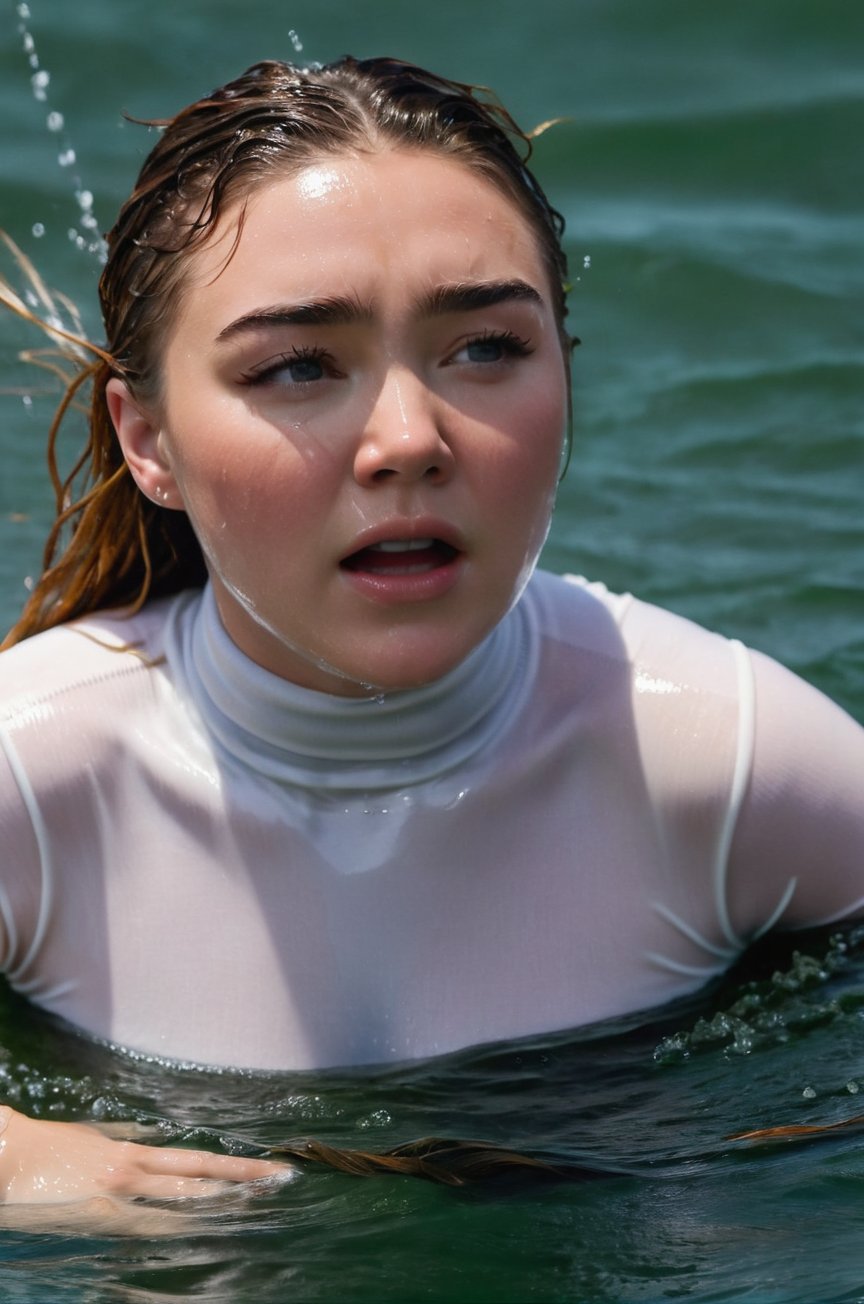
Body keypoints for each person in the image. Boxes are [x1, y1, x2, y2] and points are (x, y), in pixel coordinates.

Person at [0, 54, 862, 1209]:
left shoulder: (725, 759)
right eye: (299, 364)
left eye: (487, 349)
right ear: (148, 439)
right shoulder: (36, 778)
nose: (409, 436)